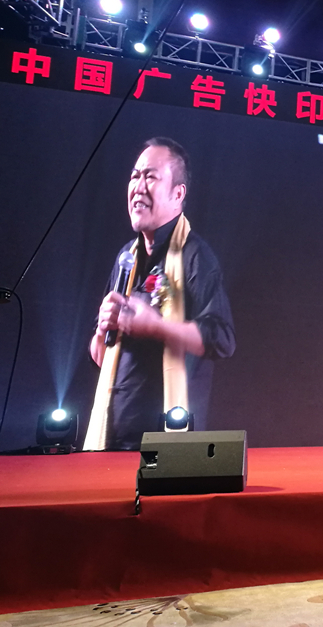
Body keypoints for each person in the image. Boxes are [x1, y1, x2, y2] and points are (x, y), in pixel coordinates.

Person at [85, 137, 235, 450]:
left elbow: (221, 340)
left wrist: (156, 327)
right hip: (111, 439)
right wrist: (101, 330)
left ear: (178, 194)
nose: (138, 187)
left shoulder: (195, 255)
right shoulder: (126, 258)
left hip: (167, 441)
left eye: (150, 177)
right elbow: (101, 357)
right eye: (134, 176)